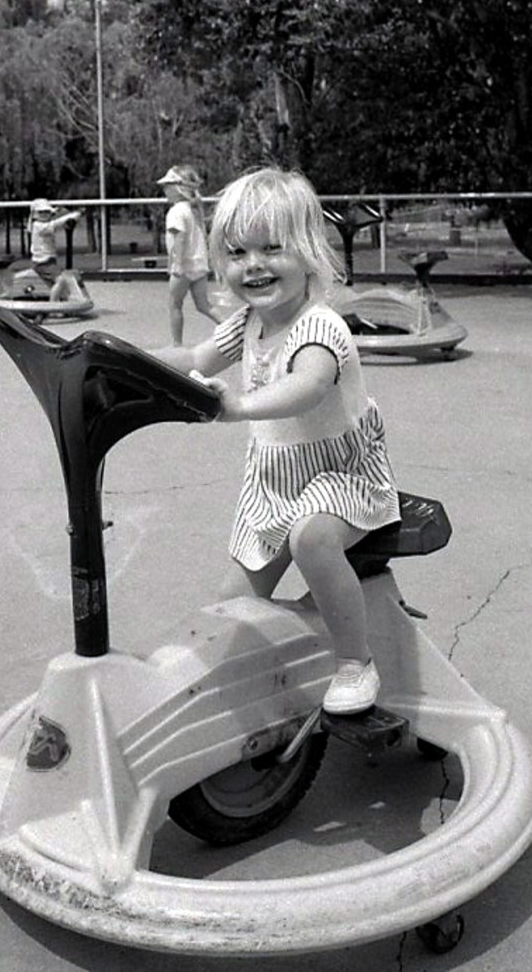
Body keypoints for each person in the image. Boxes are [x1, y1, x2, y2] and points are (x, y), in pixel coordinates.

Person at [154, 167, 400, 714]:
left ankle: (355, 662)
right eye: (238, 253)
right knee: (232, 604)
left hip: (341, 477)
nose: (254, 265)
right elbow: (196, 359)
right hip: (274, 483)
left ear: (309, 252)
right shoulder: (248, 322)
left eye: (272, 248)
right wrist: (132, 365)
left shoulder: (321, 327)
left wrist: (236, 406)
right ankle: (233, 690)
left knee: (311, 540)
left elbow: (306, 389)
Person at [156, 165, 223, 344]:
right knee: (204, 305)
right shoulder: (194, 210)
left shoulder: (176, 212)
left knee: (174, 304)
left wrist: (176, 263)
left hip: (183, 266)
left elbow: (179, 239)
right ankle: (229, 329)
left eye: (168, 186)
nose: (165, 190)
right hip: (199, 264)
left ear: (178, 188)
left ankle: (177, 344)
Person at [28, 198, 83, 302]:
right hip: (42, 263)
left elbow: (55, 219)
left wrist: (61, 212)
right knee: (61, 280)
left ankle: (64, 300)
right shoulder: (38, 226)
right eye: (41, 212)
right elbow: (55, 224)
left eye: (47, 212)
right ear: (34, 214)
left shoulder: (42, 224)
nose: (45, 214)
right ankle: (53, 305)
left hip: (49, 262)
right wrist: (70, 216)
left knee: (64, 278)